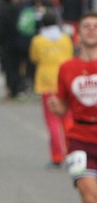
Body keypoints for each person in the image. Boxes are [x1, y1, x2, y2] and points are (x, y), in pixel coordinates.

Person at [48, 11, 97, 203]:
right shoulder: (67, 68)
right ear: (79, 34)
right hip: (79, 138)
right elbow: (63, 104)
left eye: (96, 26)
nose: (91, 30)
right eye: (86, 26)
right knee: (89, 198)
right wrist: (57, 106)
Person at [29, 10, 73, 168]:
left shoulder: (38, 40)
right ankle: (72, 154)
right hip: (66, 80)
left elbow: (34, 57)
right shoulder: (66, 39)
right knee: (68, 119)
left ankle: (57, 156)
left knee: (52, 121)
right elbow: (70, 55)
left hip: (47, 83)